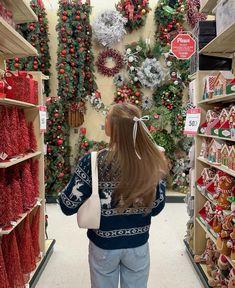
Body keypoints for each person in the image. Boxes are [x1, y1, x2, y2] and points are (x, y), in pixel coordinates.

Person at [59, 103, 168, 288]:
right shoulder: (151, 160)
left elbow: (66, 206)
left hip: (104, 246)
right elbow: (157, 207)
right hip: (138, 245)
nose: (105, 120)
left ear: (113, 127)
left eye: (107, 117)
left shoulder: (92, 162)